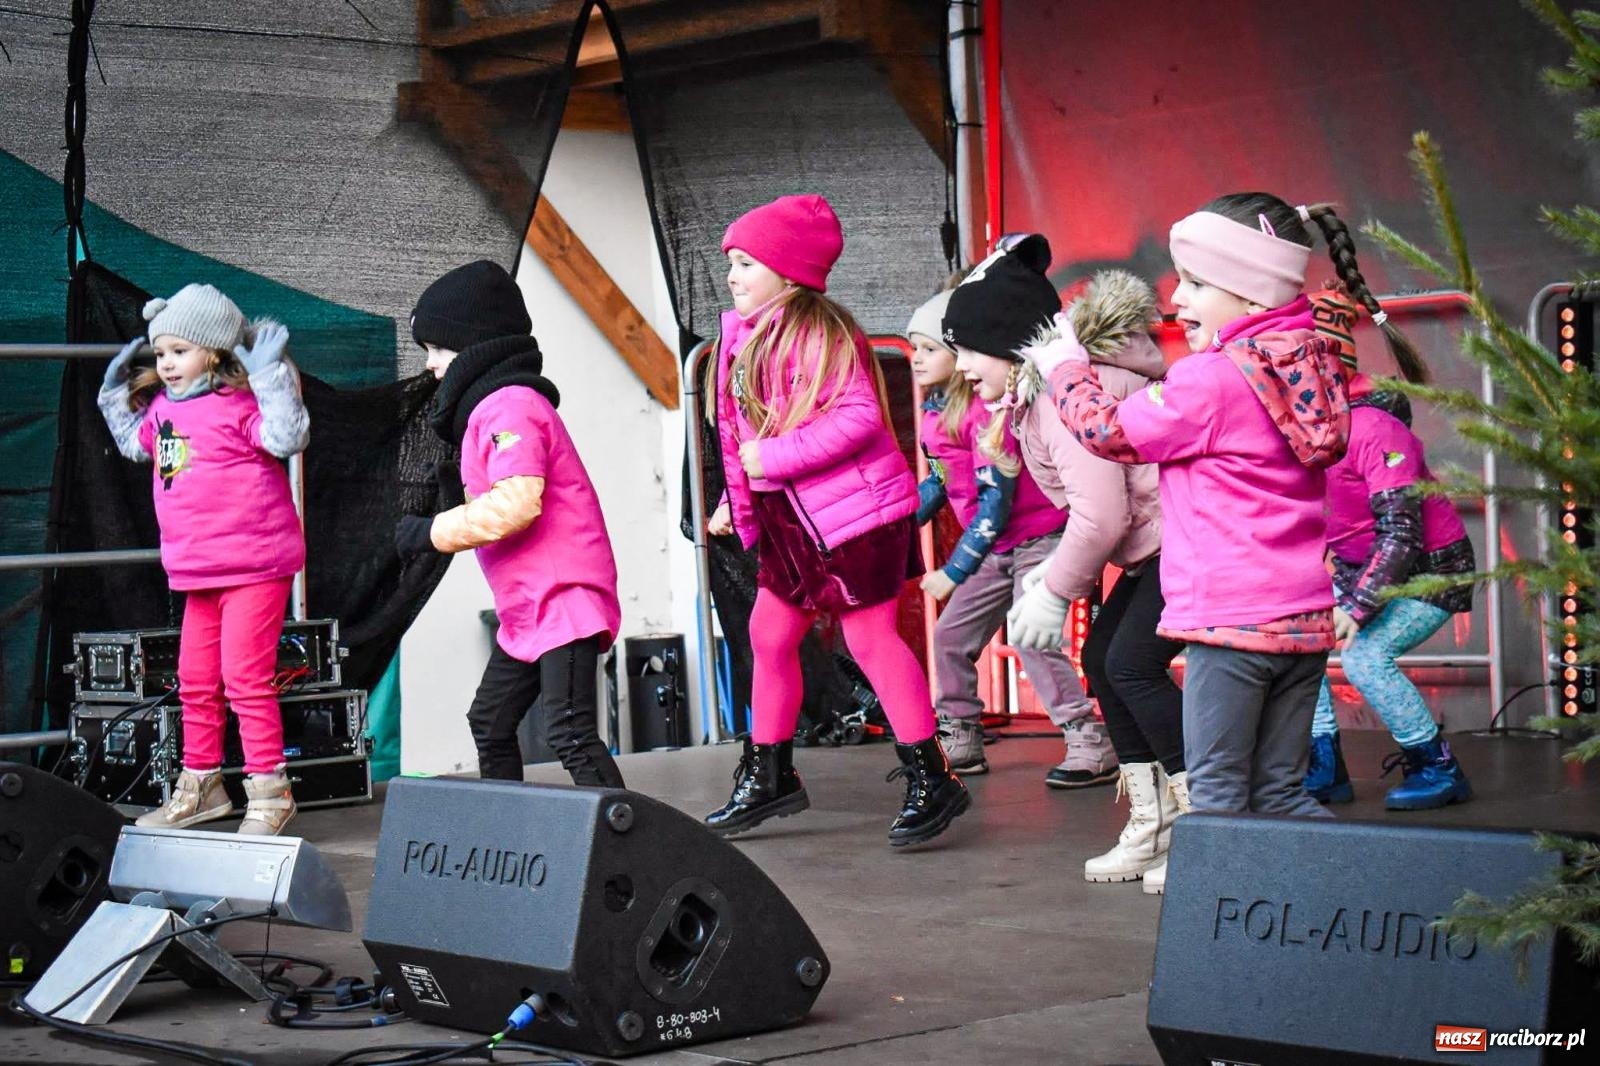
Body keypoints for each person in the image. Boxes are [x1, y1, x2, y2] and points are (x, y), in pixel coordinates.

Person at [1047, 193, 1376, 831]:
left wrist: (1066, 368)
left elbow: (1110, 430)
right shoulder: (1314, 361)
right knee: (1280, 791)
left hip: (1232, 628)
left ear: (1253, 295)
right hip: (1303, 621)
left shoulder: (1212, 382)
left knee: (1218, 796)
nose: (1178, 298)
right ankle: (1334, 902)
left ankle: (1220, 927)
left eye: (1197, 282)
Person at [703, 193, 969, 847]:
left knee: (869, 640)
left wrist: (773, 458)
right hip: (793, 520)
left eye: (745, 263)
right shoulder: (738, 334)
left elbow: (857, 421)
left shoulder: (821, 332)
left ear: (788, 272)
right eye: (731, 263)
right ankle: (770, 776)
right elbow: (737, 444)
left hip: (857, 519)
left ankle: (933, 778)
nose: (732, 275)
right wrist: (739, 509)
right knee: (769, 635)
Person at [946, 243, 1181, 891]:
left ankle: (1208, 822)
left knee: (1130, 664)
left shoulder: (1055, 398)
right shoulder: (1035, 397)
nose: (960, 365)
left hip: (1189, 542)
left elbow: (1102, 513)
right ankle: (1154, 820)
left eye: (968, 348)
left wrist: (1052, 591)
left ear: (1010, 343)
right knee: (1108, 660)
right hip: (1158, 548)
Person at [395, 260, 625, 789]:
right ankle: (509, 841)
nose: (431, 366)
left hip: (564, 599)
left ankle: (625, 853)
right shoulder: (487, 412)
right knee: (490, 723)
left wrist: (430, 531)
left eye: (438, 351)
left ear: (475, 348)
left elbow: (518, 504)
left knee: (569, 731)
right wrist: (459, 495)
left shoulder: (511, 405)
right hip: (528, 608)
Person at [98, 283, 309, 835]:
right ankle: (203, 785)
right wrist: (111, 395)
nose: (166, 364)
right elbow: (133, 444)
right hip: (200, 572)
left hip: (255, 565)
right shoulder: (165, 411)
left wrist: (270, 377)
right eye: (160, 353)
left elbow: (288, 436)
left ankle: (270, 791)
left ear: (213, 352)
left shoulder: (240, 405)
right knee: (194, 680)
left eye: (179, 351)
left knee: (245, 677)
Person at [907, 287, 1107, 786]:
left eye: (929, 348)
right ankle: (962, 733)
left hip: (1034, 537)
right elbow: (939, 479)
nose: (916, 359)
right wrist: (896, 518)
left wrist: (953, 572)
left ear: (961, 353)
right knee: (950, 637)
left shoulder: (987, 411)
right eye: (914, 348)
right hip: (996, 547)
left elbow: (995, 503)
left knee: (1029, 633)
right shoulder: (936, 411)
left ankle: (1085, 736)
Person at [1308, 320, 1475, 809]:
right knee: (1300, 639)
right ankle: (1325, 764)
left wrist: (1356, 608)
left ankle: (1439, 766)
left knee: (1364, 657)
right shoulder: (1310, 435)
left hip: (1431, 574)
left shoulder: (1375, 429)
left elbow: (1402, 534)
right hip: (1363, 573)